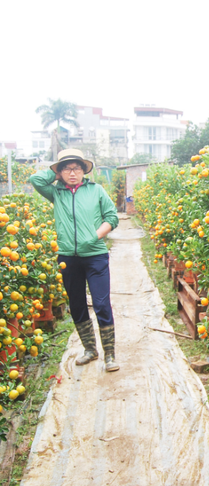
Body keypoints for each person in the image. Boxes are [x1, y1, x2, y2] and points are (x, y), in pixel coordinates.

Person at [30, 149, 120, 372]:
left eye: (77, 168)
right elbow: (36, 179)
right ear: (59, 172)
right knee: (77, 304)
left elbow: (112, 217)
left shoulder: (96, 190)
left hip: (96, 255)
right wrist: (56, 175)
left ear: (84, 171)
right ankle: (90, 349)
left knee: (101, 303)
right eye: (67, 168)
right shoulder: (56, 193)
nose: (73, 172)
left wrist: (95, 236)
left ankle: (110, 355)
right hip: (68, 257)